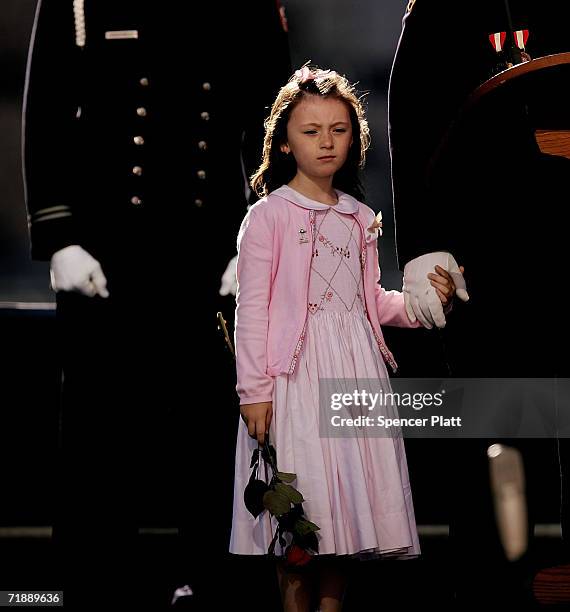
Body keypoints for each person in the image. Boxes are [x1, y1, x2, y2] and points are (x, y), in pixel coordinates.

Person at [22, 1, 290, 609]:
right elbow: (48, 106)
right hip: (106, 255)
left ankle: (216, 589)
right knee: (97, 450)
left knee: (213, 446)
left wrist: (263, 240)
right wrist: (59, 236)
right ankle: (89, 591)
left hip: (212, 252)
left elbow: (276, 119)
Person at [229, 66, 461, 612]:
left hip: (354, 375)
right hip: (295, 382)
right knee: (299, 512)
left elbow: (371, 301)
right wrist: (254, 392)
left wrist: (426, 305)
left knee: (343, 520)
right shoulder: (267, 217)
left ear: (354, 136)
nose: (326, 142)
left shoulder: (359, 218)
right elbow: (253, 311)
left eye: (339, 129)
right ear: (284, 141)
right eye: (311, 131)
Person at [389, 0, 570, 603]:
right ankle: (493, 590)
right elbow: (413, 115)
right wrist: (421, 244)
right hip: (489, 266)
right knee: (498, 439)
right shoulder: (447, 9)